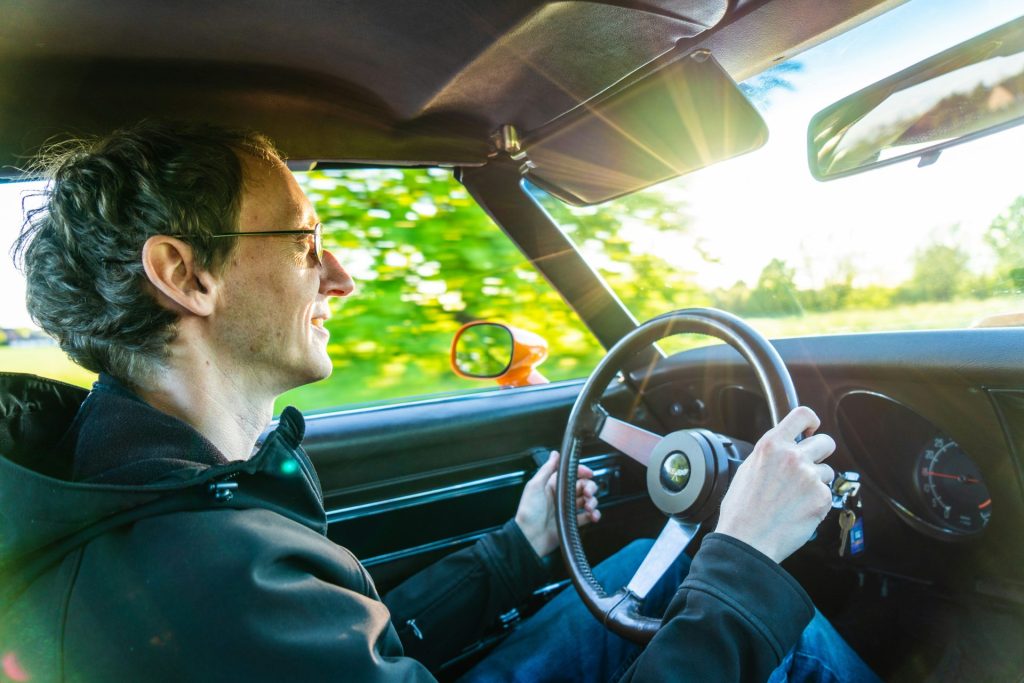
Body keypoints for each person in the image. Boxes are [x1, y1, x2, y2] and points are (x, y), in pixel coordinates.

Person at [0, 120, 877, 682]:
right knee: (746, 606)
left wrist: (516, 549)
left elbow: (352, 652)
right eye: (308, 241)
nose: (340, 276)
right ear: (185, 276)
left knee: (661, 565)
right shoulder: (208, 580)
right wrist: (748, 559)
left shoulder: (168, 503)